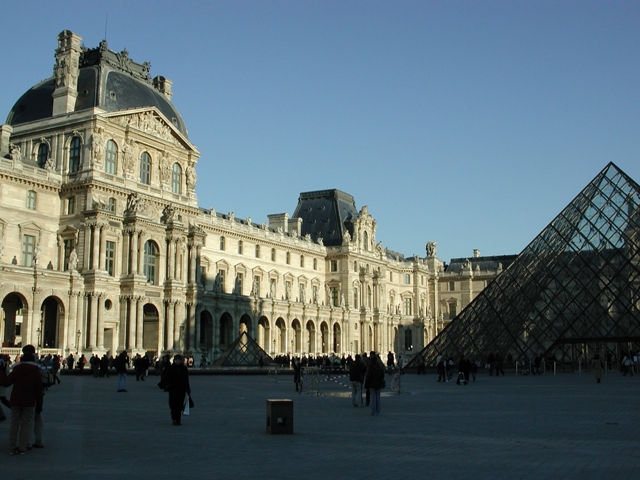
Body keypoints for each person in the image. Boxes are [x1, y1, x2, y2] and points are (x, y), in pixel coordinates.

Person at [1, 351, 43, 455]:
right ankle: (22, 447)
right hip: (29, 401)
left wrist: (2, 372)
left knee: (14, 424)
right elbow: (39, 391)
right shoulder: (36, 372)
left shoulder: (16, 370)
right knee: (26, 425)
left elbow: (6, 383)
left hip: (16, 400)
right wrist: (39, 404)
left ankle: (11, 448)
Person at [164, 355, 191, 425]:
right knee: (173, 405)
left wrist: (188, 388)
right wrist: (167, 386)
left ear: (181, 361)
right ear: (174, 360)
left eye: (179, 360)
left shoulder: (184, 369)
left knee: (179, 405)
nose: (177, 361)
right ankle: (174, 418)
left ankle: (178, 420)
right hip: (173, 389)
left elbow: (186, 379)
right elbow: (167, 378)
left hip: (181, 389)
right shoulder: (171, 368)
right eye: (176, 360)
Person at [364, 352, 385, 416]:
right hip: (378, 384)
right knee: (378, 397)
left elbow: (368, 377)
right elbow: (382, 375)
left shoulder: (370, 368)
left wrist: (366, 385)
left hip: (372, 384)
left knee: (373, 398)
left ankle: (373, 411)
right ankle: (378, 410)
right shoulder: (379, 368)